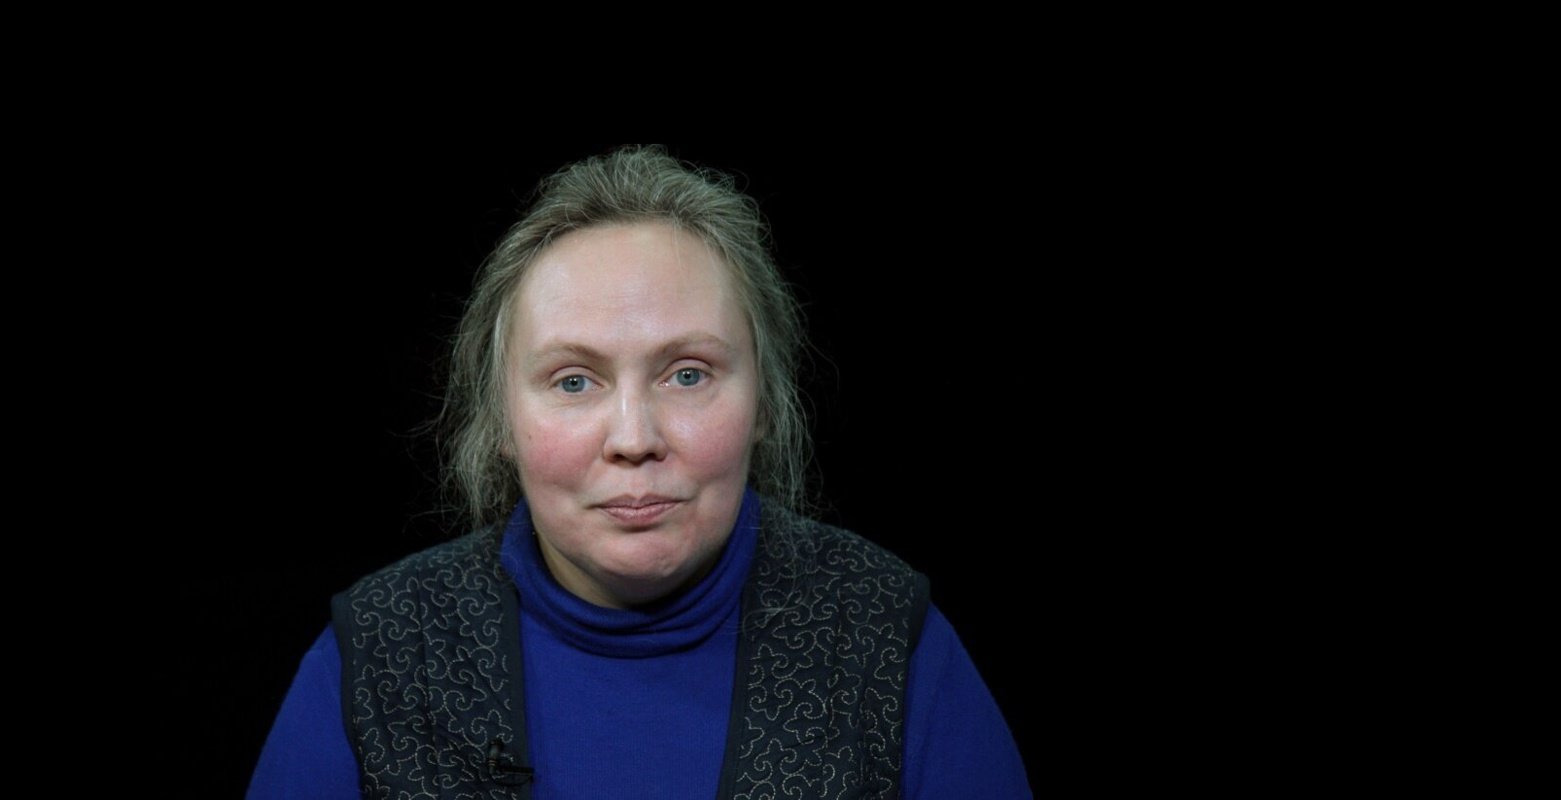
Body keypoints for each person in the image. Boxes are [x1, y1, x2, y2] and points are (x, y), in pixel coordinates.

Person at [248, 146, 1030, 799]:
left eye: (687, 374)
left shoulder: (889, 641)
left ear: (763, 402)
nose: (634, 438)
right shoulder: (377, 659)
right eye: (573, 381)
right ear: (502, 423)